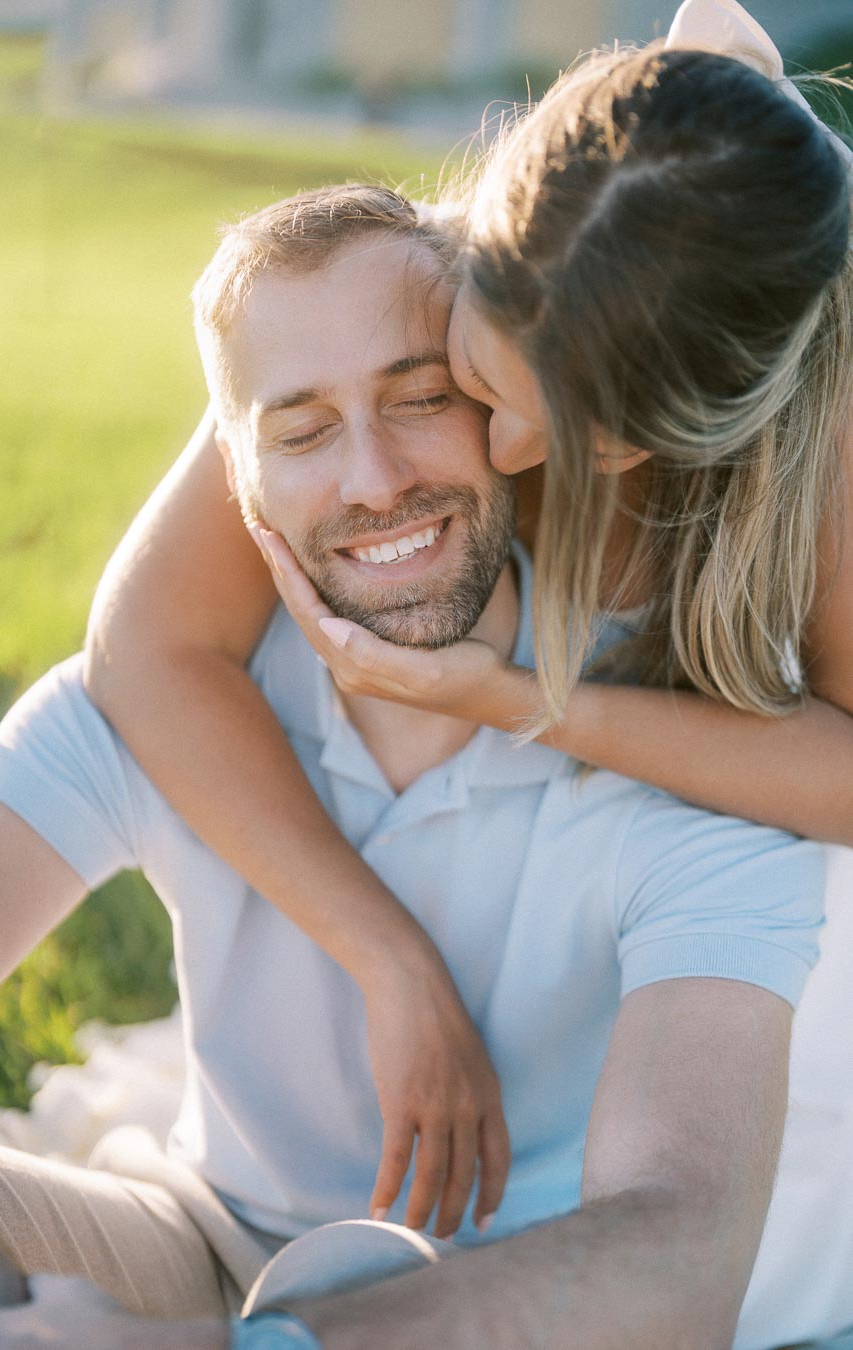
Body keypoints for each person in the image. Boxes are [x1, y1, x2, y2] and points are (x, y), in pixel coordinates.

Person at [0, 185, 826, 1350]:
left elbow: (680, 1248)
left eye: (419, 399)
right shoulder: (162, 710)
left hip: (518, 1313)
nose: (372, 479)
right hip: (201, 1242)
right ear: (239, 478)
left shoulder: (680, 753)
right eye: (302, 432)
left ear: (516, 414)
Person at [82, 0, 853, 1233]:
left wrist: (523, 706)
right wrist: (389, 961)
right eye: (473, 383)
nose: (499, 446)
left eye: (577, 434)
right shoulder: (491, 254)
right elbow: (145, 645)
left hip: (741, 939)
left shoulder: (820, 434)